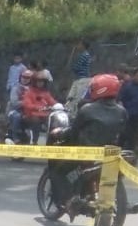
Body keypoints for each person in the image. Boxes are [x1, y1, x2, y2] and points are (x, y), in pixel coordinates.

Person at [49, 73, 127, 208]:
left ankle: (68, 201)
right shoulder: (122, 111)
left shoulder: (87, 109)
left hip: (86, 156)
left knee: (58, 172)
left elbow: (73, 131)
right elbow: (124, 134)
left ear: (100, 89)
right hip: (110, 155)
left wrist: (59, 133)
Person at [117, 67, 138, 151]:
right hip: (128, 114)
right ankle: (117, 152)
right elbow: (120, 100)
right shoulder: (127, 86)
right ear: (134, 76)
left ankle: (130, 154)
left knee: (135, 137)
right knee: (124, 134)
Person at [21, 69, 59, 138]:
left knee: (54, 121)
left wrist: (59, 106)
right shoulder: (29, 92)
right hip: (30, 115)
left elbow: (52, 101)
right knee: (36, 121)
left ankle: (51, 140)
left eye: (42, 81)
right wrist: (38, 107)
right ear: (34, 82)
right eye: (38, 81)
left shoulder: (46, 93)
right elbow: (27, 105)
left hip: (44, 115)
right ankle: (34, 140)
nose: (40, 83)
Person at [7, 68, 35, 141]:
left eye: (27, 78)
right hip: (14, 110)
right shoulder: (15, 88)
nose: (25, 79)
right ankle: (14, 136)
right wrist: (26, 102)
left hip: (29, 111)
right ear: (20, 77)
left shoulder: (34, 89)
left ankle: (35, 138)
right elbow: (14, 103)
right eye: (23, 77)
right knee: (17, 116)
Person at [67, 41, 93, 111]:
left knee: (78, 99)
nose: (78, 46)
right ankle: (70, 113)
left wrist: (71, 67)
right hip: (78, 79)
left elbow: (77, 67)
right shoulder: (82, 54)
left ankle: (75, 115)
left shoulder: (85, 55)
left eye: (79, 44)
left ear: (83, 46)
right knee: (70, 97)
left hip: (83, 79)